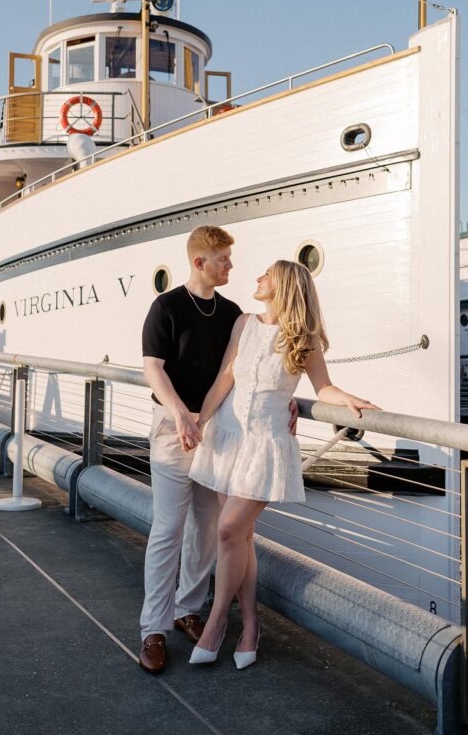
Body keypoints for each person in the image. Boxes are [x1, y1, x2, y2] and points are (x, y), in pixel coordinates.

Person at [187, 259, 381, 669]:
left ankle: (217, 622)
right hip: (228, 436)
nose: (257, 278)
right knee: (240, 538)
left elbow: (322, 386)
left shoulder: (304, 337)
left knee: (227, 531)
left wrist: (349, 400)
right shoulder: (244, 323)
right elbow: (226, 377)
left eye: (266, 274)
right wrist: (200, 421)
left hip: (266, 444)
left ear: (285, 285)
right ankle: (252, 625)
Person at [138, 227, 299, 674]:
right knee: (169, 527)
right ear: (199, 262)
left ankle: (188, 609)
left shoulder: (232, 313)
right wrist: (181, 415)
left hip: (219, 433)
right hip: (174, 429)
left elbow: (241, 371)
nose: (231, 265)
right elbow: (153, 368)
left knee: (207, 528)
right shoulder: (165, 307)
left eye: (230, 258)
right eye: (223, 259)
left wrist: (285, 398)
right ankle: (153, 628)